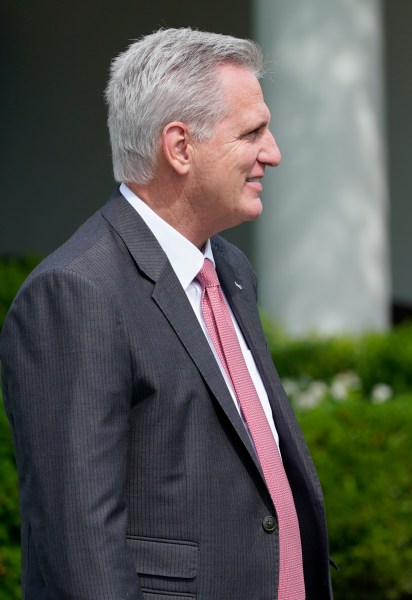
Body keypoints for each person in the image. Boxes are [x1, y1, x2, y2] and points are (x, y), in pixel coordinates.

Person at [0, 28, 332, 599]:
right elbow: (79, 544)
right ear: (179, 147)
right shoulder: (76, 293)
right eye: (251, 132)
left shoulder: (228, 268)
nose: (272, 153)